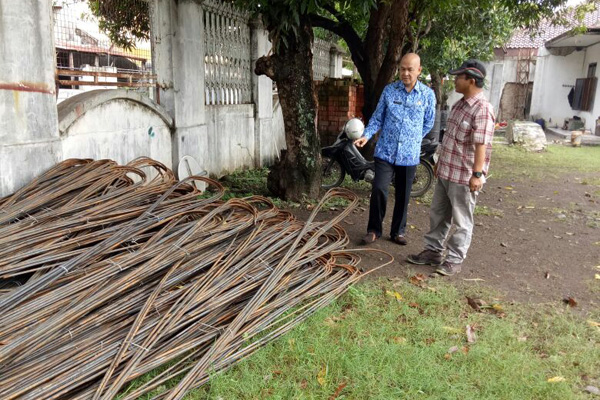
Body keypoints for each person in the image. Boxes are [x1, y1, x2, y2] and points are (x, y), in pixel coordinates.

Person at [407, 59, 495, 276]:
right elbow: (450, 139)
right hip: (447, 170)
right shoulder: (460, 104)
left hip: (464, 176)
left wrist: (477, 174)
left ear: (471, 81)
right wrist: (439, 162)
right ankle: (433, 251)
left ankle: (454, 260)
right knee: (438, 213)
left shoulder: (482, 109)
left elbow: (480, 144)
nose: (455, 81)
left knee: (462, 219)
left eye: (459, 77)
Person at [354, 53, 436, 246]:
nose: (405, 73)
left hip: (409, 154)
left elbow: (428, 123)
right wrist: (366, 135)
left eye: (410, 69)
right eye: (402, 69)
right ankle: (374, 230)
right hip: (385, 151)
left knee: (403, 194)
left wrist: (412, 139)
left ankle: (398, 231)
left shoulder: (427, 95)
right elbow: (377, 118)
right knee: (379, 188)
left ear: (419, 71)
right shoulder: (389, 91)